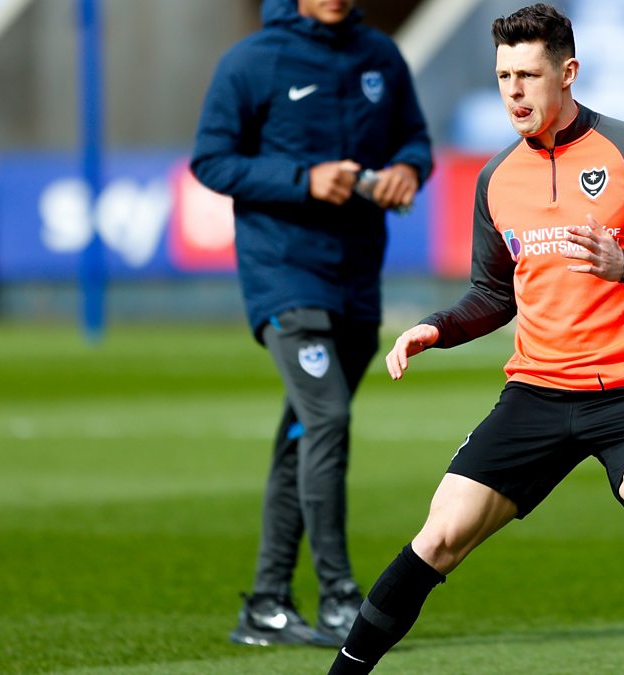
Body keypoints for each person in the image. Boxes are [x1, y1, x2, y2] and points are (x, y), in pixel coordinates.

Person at [326, 4, 624, 672]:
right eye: (503, 77)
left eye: (528, 75)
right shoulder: (496, 179)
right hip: (536, 394)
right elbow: (494, 294)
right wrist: (438, 327)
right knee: (440, 535)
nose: (514, 92)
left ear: (567, 72)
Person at [190, 0, 432, 648]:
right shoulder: (251, 61)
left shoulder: (379, 55)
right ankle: (338, 596)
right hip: (284, 271)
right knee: (326, 418)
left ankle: (267, 603)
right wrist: (304, 179)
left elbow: (414, 139)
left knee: (304, 433)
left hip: (357, 274)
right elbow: (211, 159)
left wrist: (407, 170)